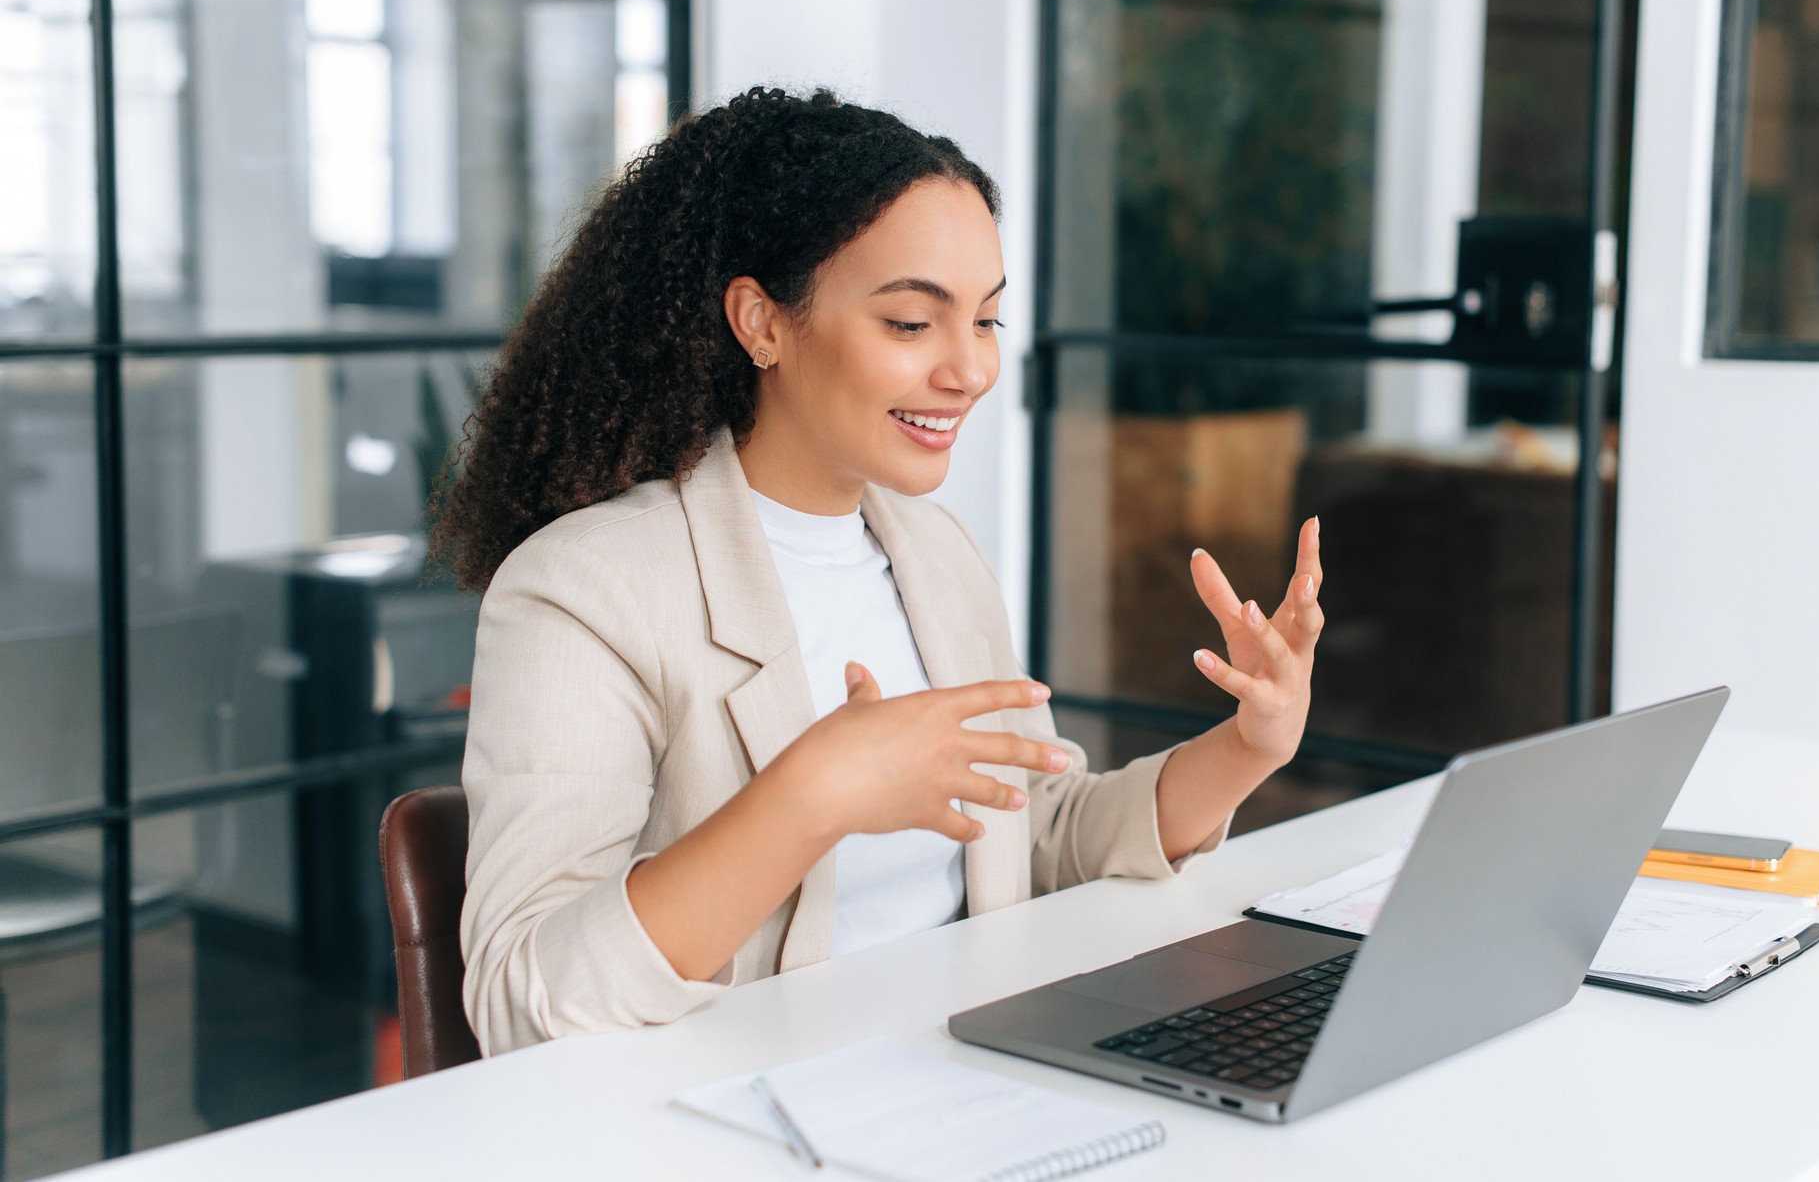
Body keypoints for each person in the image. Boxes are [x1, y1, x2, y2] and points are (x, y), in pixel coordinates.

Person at [431, 86, 1325, 1057]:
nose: (970, 369)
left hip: (965, 1079)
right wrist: (808, 793)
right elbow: (527, 1001)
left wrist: (1248, 745)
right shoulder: (582, 591)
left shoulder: (933, 551)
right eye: (911, 323)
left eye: (984, 320)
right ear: (761, 322)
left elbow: (1037, 834)